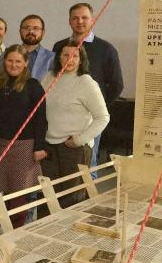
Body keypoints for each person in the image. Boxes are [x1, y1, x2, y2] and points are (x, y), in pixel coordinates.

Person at [52, 3, 123, 168]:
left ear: (92, 20)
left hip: (89, 122)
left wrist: (96, 108)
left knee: (87, 165)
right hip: (60, 120)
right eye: (75, 18)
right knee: (61, 166)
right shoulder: (59, 47)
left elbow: (117, 85)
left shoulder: (106, 49)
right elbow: (54, 76)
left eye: (84, 18)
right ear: (69, 21)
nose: (80, 22)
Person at [0, 45, 47, 228]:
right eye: (10, 60)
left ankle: (17, 228)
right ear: (4, 61)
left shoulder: (33, 86)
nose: (14, 65)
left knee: (18, 190)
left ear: (26, 63)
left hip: (23, 146)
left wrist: (40, 146)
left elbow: (41, 118)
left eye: (18, 61)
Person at [41, 41, 110, 208]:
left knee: (72, 200)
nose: (69, 59)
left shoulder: (86, 82)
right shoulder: (50, 77)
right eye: (65, 55)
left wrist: (79, 140)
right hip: (49, 146)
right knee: (48, 199)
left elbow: (103, 117)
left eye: (75, 56)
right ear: (58, 57)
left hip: (73, 148)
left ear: (81, 59)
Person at [19, 14, 54, 81]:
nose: (31, 31)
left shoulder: (52, 58)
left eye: (36, 28)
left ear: (43, 32)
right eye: (26, 28)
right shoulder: (7, 55)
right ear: (20, 31)